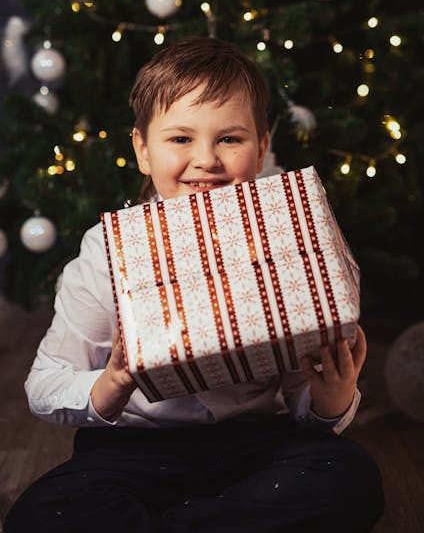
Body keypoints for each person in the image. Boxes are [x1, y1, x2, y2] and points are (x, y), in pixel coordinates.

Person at [5, 36, 384, 533]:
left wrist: (331, 398)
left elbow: (301, 396)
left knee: (350, 480)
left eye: (229, 138)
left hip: (259, 445)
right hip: (133, 451)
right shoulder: (107, 250)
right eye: (180, 139)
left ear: (262, 147)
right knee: (41, 517)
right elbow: (45, 384)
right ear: (142, 149)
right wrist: (114, 380)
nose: (206, 159)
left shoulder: (284, 239)